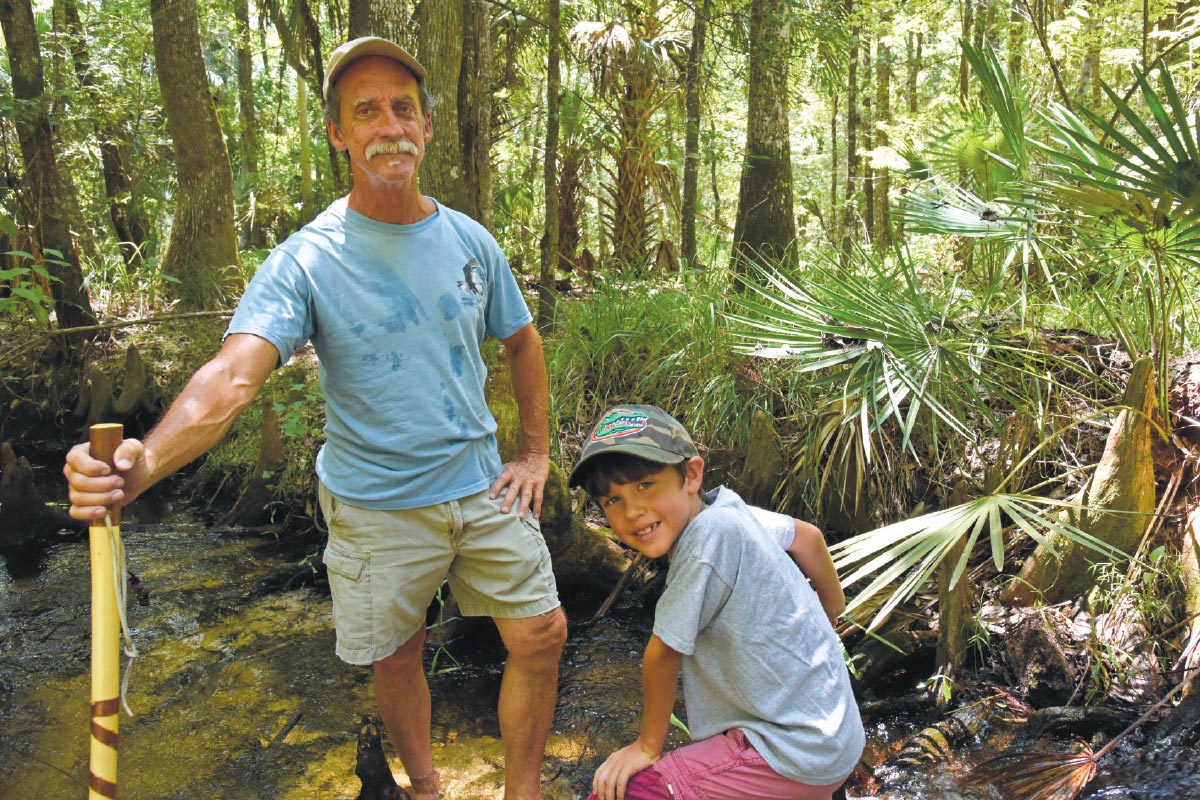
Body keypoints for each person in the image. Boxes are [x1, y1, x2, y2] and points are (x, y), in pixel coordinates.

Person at [64, 36, 567, 800]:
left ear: (428, 127)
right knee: (398, 656)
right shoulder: (308, 258)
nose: (388, 125)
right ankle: (427, 786)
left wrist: (533, 456)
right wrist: (145, 464)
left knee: (542, 634)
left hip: (479, 487)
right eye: (365, 111)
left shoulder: (471, 241)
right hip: (376, 506)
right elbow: (234, 375)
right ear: (338, 133)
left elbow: (524, 343)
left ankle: (523, 793)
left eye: (404, 108)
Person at [568, 405, 864, 800]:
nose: (632, 512)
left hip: (794, 751)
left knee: (631, 791)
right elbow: (808, 538)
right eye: (611, 501)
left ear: (691, 475)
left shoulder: (707, 535)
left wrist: (646, 747)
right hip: (834, 730)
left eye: (644, 485)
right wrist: (831, 618)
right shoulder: (729, 509)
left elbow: (661, 654)